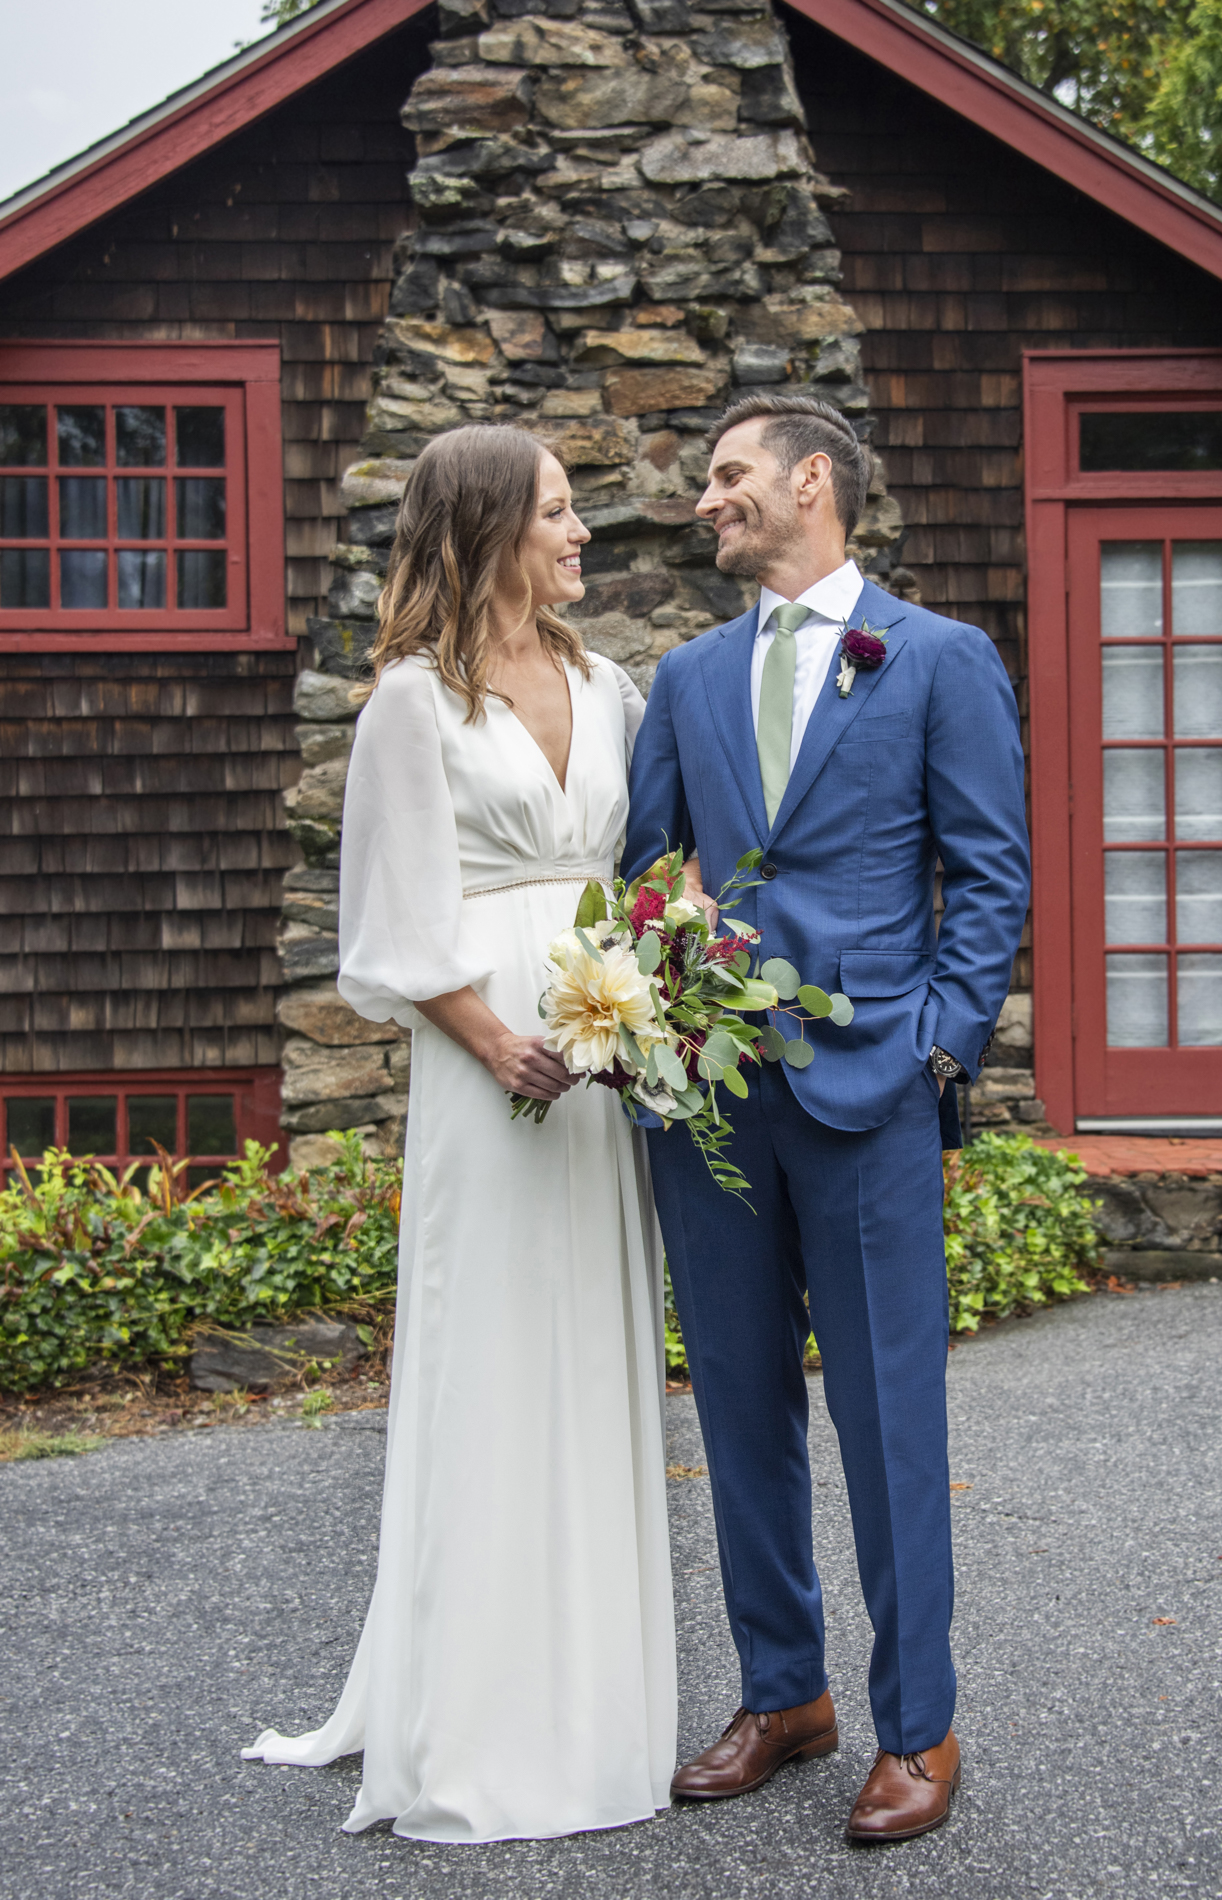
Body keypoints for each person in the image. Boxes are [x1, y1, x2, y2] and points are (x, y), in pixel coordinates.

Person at [244, 426, 676, 1843]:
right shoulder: (409, 710)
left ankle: (600, 1706)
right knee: (492, 1353)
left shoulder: (612, 688)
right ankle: (479, 1728)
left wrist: (640, 1015)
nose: (581, 536)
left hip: (600, 1070)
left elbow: (638, 878)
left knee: (594, 1355)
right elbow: (384, 932)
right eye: (559, 512)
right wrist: (499, 1043)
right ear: (490, 524)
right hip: (491, 1072)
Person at [623, 392, 1029, 1843]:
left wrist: (940, 1042)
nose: (707, 500)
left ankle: (918, 1725)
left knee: (886, 1420)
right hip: (717, 1109)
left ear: (811, 481)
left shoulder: (940, 660)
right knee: (736, 1407)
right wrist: (660, 1018)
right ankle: (783, 1693)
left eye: (728, 477)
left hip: (872, 1092)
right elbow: (647, 873)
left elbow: (988, 874)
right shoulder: (681, 678)